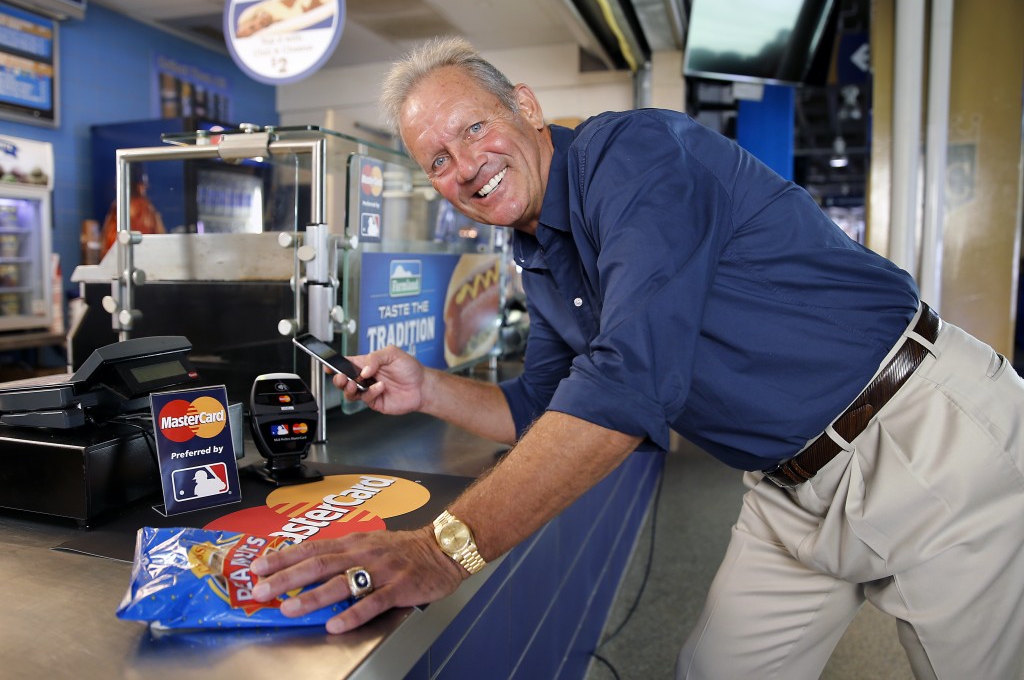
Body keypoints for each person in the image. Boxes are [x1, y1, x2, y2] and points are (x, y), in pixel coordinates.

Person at [251, 36, 1024, 677]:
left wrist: (438, 551)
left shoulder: (636, 154)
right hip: (792, 487)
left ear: (525, 106)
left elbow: (630, 382)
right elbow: (536, 410)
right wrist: (428, 389)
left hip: (923, 435)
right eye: (438, 161)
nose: (463, 166)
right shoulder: (537, 256)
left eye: (474, 130)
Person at [100, 163, 166, 256]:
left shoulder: (145, 208)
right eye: (143, 184)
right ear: (138, 185)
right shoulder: (124, 207)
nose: (146, 187)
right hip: (133, 259)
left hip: (133, 260)